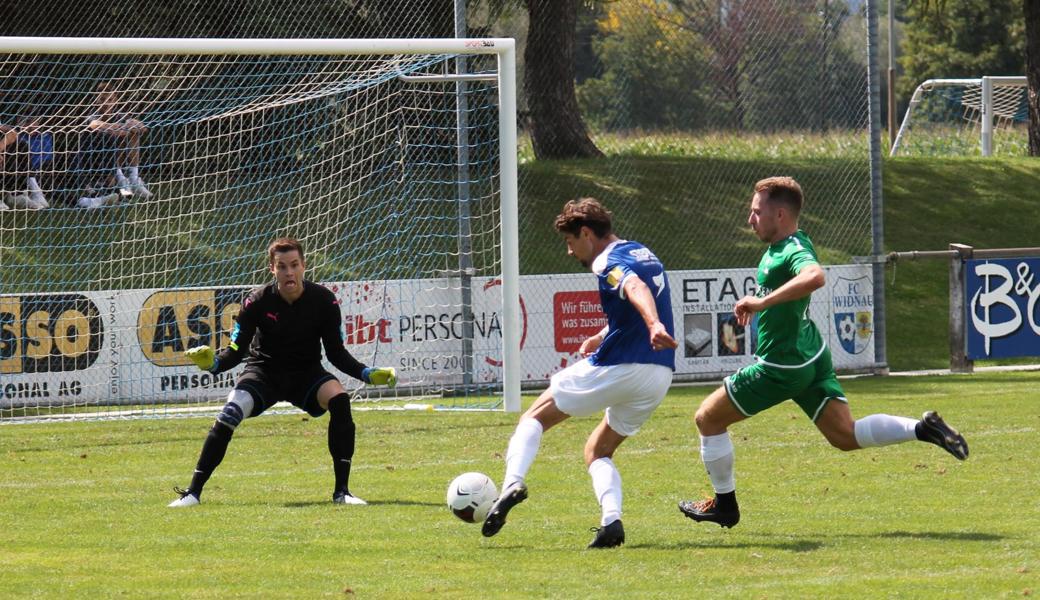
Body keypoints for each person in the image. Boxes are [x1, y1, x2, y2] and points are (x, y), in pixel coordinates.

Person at [678, 176, 969, 529]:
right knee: (845, 436)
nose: (750, 220)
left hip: (780, 365)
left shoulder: (791, 250)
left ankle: (724, 506)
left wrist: (761, 302)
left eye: (756, 212)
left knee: (707, 419)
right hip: (810, 355)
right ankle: (922, 429)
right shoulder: (791, 242)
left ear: (780, 214)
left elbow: (815, 276)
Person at [481, 198, 678, 548]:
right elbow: (635, 300)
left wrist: (653, 325)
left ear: (586, 233)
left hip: (622, 365)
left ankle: (512, 482)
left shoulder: (607, 261)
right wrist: (604, 333)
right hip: (658, 375)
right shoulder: (642, 252)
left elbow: (635, 289)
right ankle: (611, 523)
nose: (571, 252)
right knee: (597, 450)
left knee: (534, 417)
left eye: (571, 242)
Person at [168, 237, 398, 508]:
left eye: (294, 265)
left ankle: (342, 492)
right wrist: (213, 364)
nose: (289, 272)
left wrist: (367, 374)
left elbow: (336, 353)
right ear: (272, 269)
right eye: (282, 266)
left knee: (339, 399)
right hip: (263, 373)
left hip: (306, 374)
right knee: (230, 412)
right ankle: (192, 493)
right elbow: (236, 351)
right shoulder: (256, 301)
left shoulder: (324, 301)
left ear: (304, 266)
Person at [76, 81, 152, 208]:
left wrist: (131, 124)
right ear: (96, 101)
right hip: (94, 165)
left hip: (113, 164)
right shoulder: (92, 116)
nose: (106, 103)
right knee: (114, 134)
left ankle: (133, 178)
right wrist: (127, 126)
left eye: (110, 99)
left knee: (132, 134)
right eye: (102, 99)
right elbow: (101, 126)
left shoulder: (119, 115)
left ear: (116, 100)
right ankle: (118, 188)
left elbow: (143, 128)